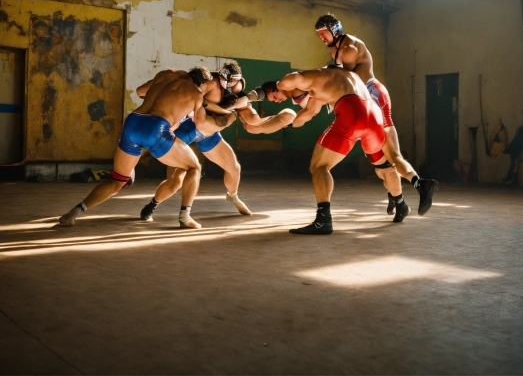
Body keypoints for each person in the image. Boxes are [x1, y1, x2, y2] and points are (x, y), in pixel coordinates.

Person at [139, 63, 295, 225]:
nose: (229, 86)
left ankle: (232, 196)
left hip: (209, 132)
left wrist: (277, 119)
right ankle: (152, 205)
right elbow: (194, 103)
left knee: (234, 167)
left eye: (234, 83)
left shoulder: (237, 88)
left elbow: (252, 121)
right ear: (220, 76)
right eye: (226, 81)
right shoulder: (208, 84)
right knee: (175, 181)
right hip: (188, 129)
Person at [315, 14, 437, 217]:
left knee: (393, 156)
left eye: (324, 33)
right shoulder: (335, 48)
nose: (321, 38)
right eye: (318, 34)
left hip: (373, 95)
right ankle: (398, 198)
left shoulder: (348, 48)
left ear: (334, 30)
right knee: (381, 166)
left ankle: (421, 184)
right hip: (363, 103)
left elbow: (344, 78)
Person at [58, 67, 211, 228]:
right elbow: (201, 123)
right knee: (194, 167)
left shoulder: (167, 74)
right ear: (202, 84)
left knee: (117, 182)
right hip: (155, 128)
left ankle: (73, 213)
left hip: (133, 122)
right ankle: (185, 216)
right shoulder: (195, 92)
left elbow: (140, 91)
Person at [277, 66, 413, 234]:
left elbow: (289, 84)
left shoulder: (311, 77)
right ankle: (400, 203)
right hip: (375, 117)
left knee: (319, 166)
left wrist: (279, 88)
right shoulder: (348, 77)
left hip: (352, 114)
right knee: (384, 166)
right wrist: (292, 121)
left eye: (297, 97)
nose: (299, 99)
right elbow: (308, 112)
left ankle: (323, 220)